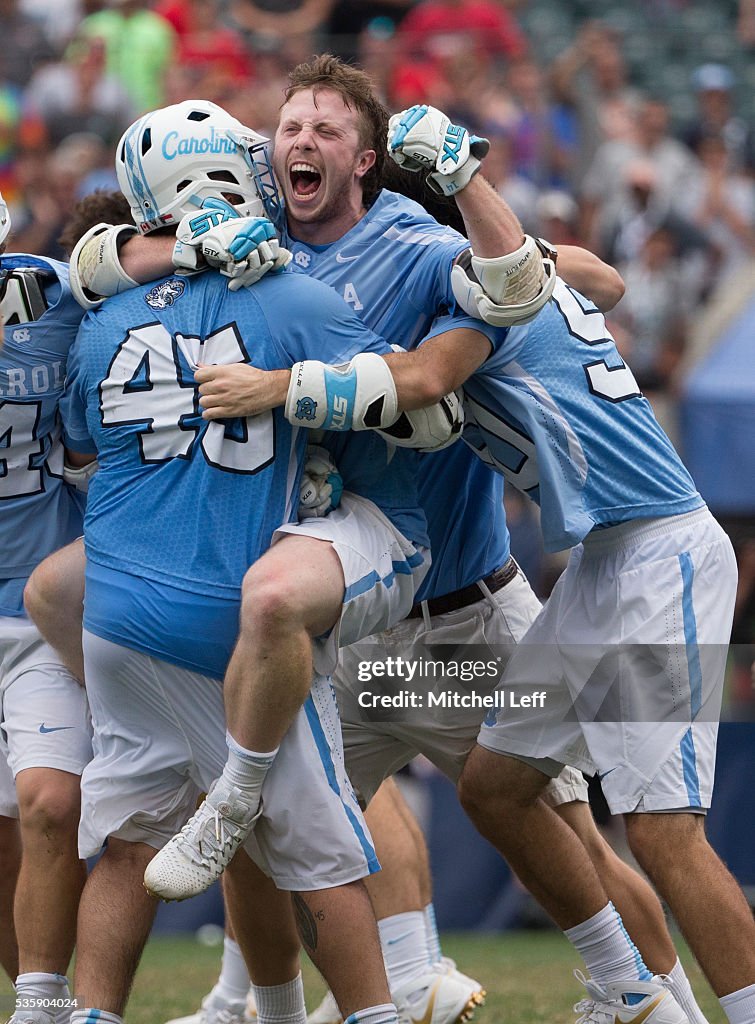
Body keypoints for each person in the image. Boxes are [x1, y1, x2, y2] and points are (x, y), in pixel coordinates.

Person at [72, 57, 710, 1024]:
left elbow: (588, 279)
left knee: (563, 826)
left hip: (465, 615)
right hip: (360, 620)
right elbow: (101, 260)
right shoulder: (263, 240)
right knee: (263, 814)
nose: (303, 144)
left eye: (327, 131)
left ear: (367, 160)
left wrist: (514, 252)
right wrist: (183, 248)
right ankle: (337, 988)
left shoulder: (412, 243)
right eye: (291, 128)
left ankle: (651, 998)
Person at [216, 101, 755, 1024]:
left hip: (656, 548)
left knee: (660, 831)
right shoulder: (496, 270)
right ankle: (629, 993)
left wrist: (272, 385)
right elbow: (595, 275)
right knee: (497, 789)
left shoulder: (462, 290)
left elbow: (423, 378)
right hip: (592, 566)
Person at [40, 97, 474, 1024]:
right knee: (324, 862)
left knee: (121, 849)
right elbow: (424, 414)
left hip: (116, 616)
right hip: (226, 614)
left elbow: (81, 439)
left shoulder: (105, 318)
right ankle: (376, 1012)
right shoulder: (291, 298)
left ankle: (89, 1015)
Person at [0, 191, 93, 1022]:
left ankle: (42, 1002)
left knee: (49, 802)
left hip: (33, 606)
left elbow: (112, 267)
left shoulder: (52, 296)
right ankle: (37, 995)